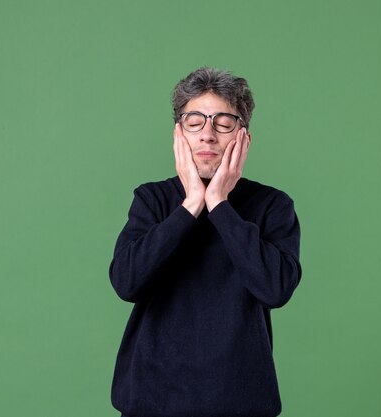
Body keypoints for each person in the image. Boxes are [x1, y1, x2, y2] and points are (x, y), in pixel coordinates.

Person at [109, 67, 302, 417]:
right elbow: (127, 282)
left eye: (223, 122)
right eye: (194, 121)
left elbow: (275, 290)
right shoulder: (152, 199)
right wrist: (191, 205)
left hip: (239, 402)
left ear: (243, 137)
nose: (208, 135)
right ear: (178, 133)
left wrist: (220, 205)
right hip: (151, 399)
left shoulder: (273, 206)